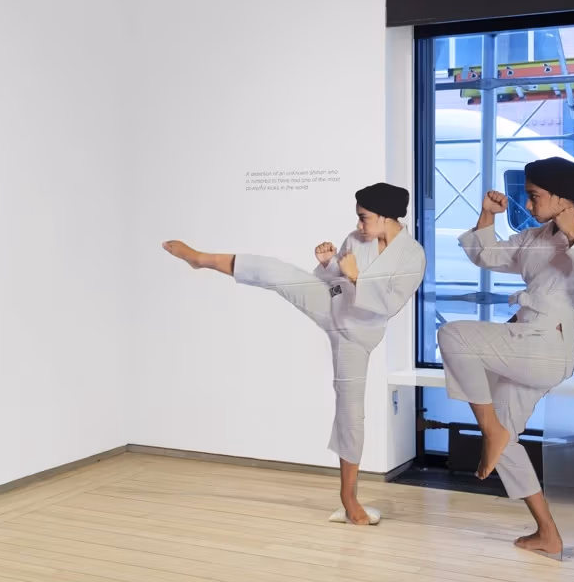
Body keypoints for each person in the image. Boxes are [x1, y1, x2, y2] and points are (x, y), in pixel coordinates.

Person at [163, 183, 424, 525]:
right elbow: (335, 282)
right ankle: (201, 259)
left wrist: (356, 277)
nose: (358, 225)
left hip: (357, 336)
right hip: (331, 304)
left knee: (351, 413)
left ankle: (349, 498)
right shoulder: (356, 238)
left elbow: (389, 305)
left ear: (387, 216)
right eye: (358, 218)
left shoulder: (412, 256)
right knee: (276, 271)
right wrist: (329, 264)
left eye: (364, 218)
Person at [437, 156, 574, 557]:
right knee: (507, 442)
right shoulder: (536, 237)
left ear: (562, 199)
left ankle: (490, 429)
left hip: (549, 347)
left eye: (535, 194)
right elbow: (487, 256)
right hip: (526, 341)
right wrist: (487, 214)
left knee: (452, 335)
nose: (527, 199)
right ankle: (547, 533)